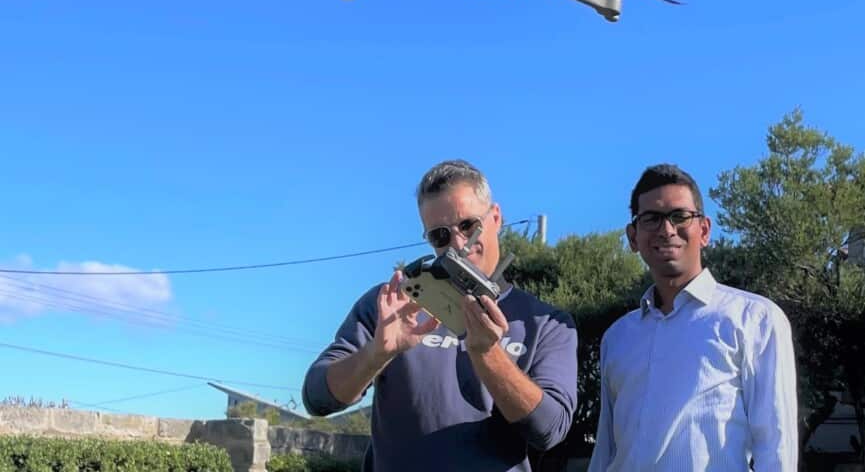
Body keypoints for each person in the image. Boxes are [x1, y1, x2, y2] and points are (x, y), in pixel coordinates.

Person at [302, 159, 579, 472]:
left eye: (468, 225)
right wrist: (376, 354)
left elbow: (549, 430)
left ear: (496, 217)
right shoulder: (393, 304)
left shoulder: (545, 323)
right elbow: (317, 398)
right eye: (440, 236)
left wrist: (489, 356)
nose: (458, 245)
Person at [588, 163, 799, 472]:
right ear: (633, 237)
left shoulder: (755, 319)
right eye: (651, 218)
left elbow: (777, 446)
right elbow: (605, 448)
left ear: (704, 230)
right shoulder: (618, 337)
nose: (666, 229)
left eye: (680, 216)